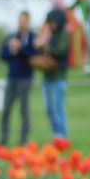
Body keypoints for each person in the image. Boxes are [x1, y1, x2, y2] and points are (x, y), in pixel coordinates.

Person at [0, 11, 37, 146]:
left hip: (25, 78)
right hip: (12, 77)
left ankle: (24, 139)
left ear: (28, 21)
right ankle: (3, 137)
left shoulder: (32, 37)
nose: (21, 23)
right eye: (20, 20)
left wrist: (21, 48)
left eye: (24, 20)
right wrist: (11, 50)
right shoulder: (11, 36)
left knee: (24, 109)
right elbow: (3, 55)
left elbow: (33, 55)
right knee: (6, 108)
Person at [36, 9, 71, 140]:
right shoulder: (48, 35)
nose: (52, 25)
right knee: (49, 109)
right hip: (47, 77)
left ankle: (62, 136)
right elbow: (40, 51)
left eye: (54, 22)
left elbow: (60, 52)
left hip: (58, 78)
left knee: (58, 109)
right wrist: (42, 43)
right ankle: (56, 134)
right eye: (50, 22)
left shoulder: (64, 35)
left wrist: (47, 46)